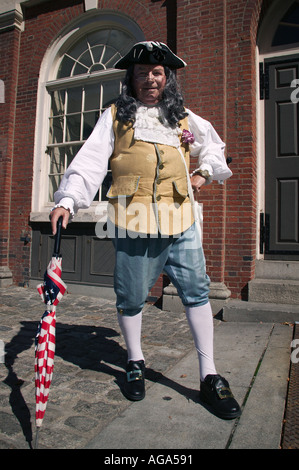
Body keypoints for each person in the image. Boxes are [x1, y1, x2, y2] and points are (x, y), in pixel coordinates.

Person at [50, 41, 241, 420]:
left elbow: (214, 147)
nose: (150, 78)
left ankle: (209, 374)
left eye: (157, 72)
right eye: (142, 72)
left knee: (197, 291)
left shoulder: (184, 117)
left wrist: (203, 172)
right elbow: (89, 161)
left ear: (166, 77)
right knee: (132, 295)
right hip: (133, 220)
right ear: (131, 78)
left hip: (181, 219)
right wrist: (68, 199)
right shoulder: (115, 116)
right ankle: (135, 360)